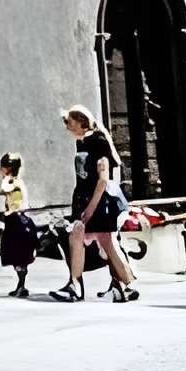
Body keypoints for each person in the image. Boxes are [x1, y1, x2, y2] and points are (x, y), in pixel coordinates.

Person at [47, 105, 138, 304]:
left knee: (94, 240)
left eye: (69, 122)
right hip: (88, 201)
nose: (67, 127)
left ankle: (80, 286)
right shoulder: (84, 142)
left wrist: (88, 211)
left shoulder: (97, 142)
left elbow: (103, 179)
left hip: (97, 203)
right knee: (100, 242)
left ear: (82, 122)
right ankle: (124, 286)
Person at [0, 154, 36, 297]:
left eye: (3, 167)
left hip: (17, 221)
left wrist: (10, 212)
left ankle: (22, 285)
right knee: (16, 255)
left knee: (18, 254)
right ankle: (21, 285)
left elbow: (4, 189)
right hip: (16, 221)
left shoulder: (13, 182)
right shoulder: (16, 181)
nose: (0, 169)